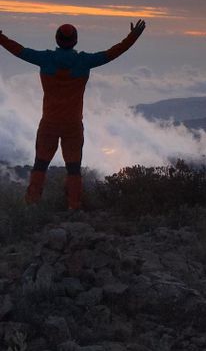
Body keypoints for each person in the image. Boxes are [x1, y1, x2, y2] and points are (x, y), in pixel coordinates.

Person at [0, 20, 146, 209]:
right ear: (75, 41)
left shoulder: (45, 59)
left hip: (49, 124)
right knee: (74, 168)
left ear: (57, 40)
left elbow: (18, 50)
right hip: (73, 125)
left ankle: (32, 203)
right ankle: (74, 206)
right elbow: (113, 53)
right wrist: (132, 37)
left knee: (40, 164)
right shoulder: (84, 61)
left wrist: (0, 37)